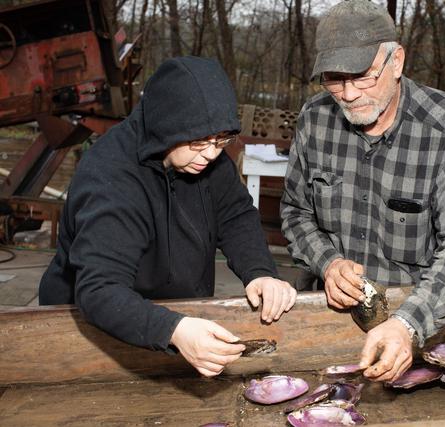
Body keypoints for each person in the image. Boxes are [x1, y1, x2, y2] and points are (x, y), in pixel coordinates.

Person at [39, 56, 297, 377]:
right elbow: (101, 290)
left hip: (178, 321)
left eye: (221, 141)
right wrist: (171, 330)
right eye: (199, 142)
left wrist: (260, 272)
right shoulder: (111, 178)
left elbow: (235, 215)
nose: (212, 153)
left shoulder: (204, 152)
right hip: (92, 324)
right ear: (166, 127)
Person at [280, 0, 445, 383]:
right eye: (334, 79)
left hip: (417, 320)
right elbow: (296, 212)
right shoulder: (314, 120)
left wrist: (407, 324)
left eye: (362, 77)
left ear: (396, 62)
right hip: (325, 320)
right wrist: (327, 263)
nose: (347, 94)